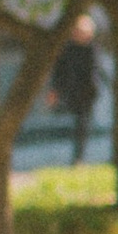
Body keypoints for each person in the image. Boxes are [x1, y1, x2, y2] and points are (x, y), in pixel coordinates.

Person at [49, 12, 100, 167]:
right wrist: (55, 90)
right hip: (67, 91)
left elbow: (94, 73)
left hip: (85, 93)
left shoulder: (91, 49)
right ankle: (60, 158)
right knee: (63, 124)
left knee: (82, 126)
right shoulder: (67, 49)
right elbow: (59, 71)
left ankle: (78, 159)